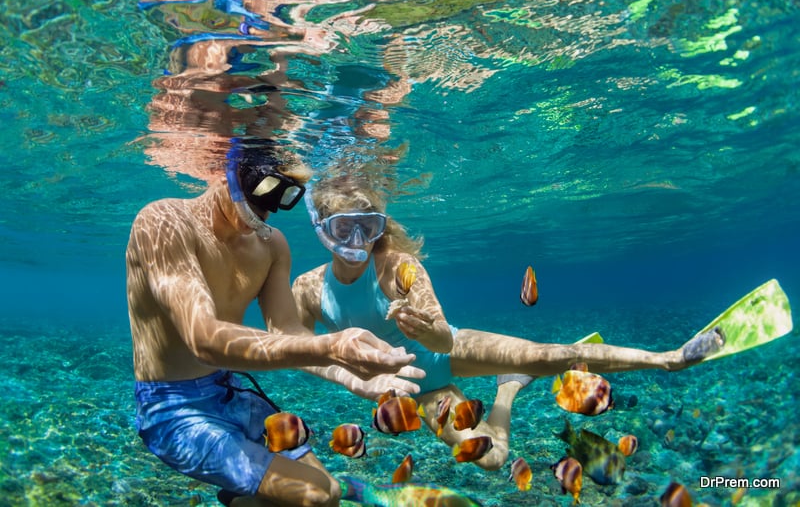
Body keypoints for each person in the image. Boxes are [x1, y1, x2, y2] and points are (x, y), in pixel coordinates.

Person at [288, 174, 723, 471]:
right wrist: (345, 374)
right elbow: (293, 348)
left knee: (554, 355)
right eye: (345, 228)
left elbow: (441, 333)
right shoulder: (308, 288)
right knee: (493, 459)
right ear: (322, 229)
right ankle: (509, 387)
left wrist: (423, 328)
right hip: (420, 390)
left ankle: (669, 358)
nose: (358, 240)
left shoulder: (399, 267)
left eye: (369, 227)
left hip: (451, 349)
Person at [126, 143, 423, 507]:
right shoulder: (163, 221)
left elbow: (286, 332)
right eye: (263, 191)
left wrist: (349, 374)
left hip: (229, 391)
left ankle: (238, 496)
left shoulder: (272, 246)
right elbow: (201, 337)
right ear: (226, 172)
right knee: (316, 495)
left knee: (324, 494)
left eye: (283, 197)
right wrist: (332, 348)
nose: (266, 212)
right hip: (172, 409)